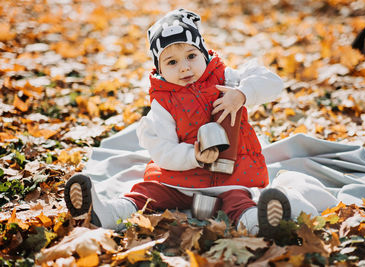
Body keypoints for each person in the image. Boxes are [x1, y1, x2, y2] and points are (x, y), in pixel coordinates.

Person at [64, 8, 285, 236]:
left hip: (231, 176)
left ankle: (259, 223)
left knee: (238, 201)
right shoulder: (163, 103)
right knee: (147, 193)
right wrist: (194, 157)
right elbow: (162, 149)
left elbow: (272, 82)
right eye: (172, 62)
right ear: (159, 69)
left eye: (191, 56)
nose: (184, 67)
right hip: (181, 181)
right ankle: (108, 213)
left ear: (204, 55)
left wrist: (242, 93)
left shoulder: (227, 79)